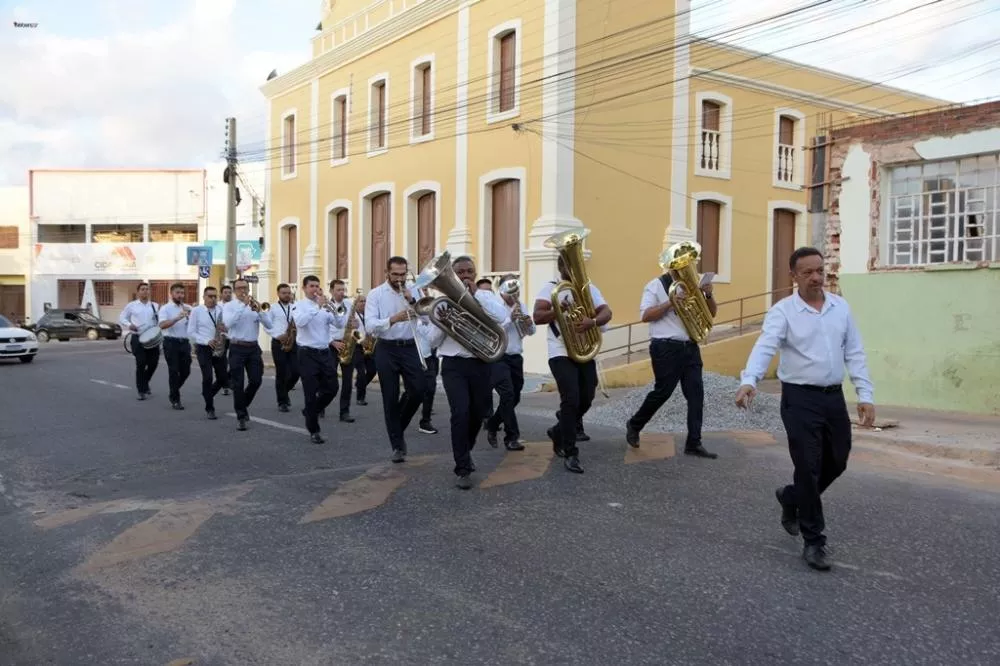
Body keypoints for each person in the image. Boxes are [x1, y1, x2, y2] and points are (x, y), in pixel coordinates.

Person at [735, 246, 875, 572]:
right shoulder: (783, 312)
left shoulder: (840, 308)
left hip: (833, 398)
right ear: (793, 276)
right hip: (799, 399)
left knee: (837, 460)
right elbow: (765, 346)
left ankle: (792, 496)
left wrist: (865, 394)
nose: (815, 277)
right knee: (808, 467)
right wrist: (749, 380)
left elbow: (855, 352)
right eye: (808, 272)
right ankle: (814, 541)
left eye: (819, 271)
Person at [421, 256, 509, 489]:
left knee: (479, 414)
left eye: (470, 271)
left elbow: (502, 318)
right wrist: (445, 323)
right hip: (454, 366)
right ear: (454, 275)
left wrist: (477, 296)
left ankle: (465, 452)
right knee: (460, 413)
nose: (466, 276)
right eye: (460, 272)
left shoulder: (485, 296)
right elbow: (431, 340)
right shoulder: (442, 303)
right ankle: (462, 467)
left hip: (481, 363)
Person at [624, 262, 719, 458]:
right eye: (681, 264)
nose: (687, 267)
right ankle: (634, 424)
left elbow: (711, 314)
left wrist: (708, 295)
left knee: (696, 395)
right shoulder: (656, 285)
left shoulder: (691, 286)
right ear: (671, 267)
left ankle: (694, 442)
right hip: (665, 347)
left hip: (690, 347)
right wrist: (670, 302)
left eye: (689, 263)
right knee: (663, 392)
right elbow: (646, 315)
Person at [532, 255, 613, 474]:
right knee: (571, 398)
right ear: (561, 268)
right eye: (570, 265)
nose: (576, 269)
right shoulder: (551, 288)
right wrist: (558, 311)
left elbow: (607, 312)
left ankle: (559, 430)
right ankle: (570, 452)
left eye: (578, 265)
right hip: (560, 350)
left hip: (584, 349)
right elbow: (537, 316)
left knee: (587, 397)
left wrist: (592, 322)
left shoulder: (589, 288)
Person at [364, 256, 425, 464]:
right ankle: (398, 446)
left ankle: (396, 425)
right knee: (390, 396)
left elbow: (427, 317)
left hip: (409, 346)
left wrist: (413, 302)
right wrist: (393, 319)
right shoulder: (376, 294)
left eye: (403, 274)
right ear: (386, 273)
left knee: (418, 390)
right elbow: (370, 326)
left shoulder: (415, 290)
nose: (400, 279)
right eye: (395, 275)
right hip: (386, 348)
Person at [293, 275, 350, 443]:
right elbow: (301, 323)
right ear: (304, 288)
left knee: (332, 388)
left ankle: (311, 411)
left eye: (317, 286)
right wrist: (317, 307)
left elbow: (339, 324)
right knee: (310, 393)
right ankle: (314, 430)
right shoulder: (299, 306)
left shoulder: (326, 306)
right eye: (311, 286)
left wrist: (332, 308)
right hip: (307, 353)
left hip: (324, 352)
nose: (315, 289)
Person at [485, 274, 534, 451]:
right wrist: (509, 319)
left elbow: (531, 332)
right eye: (511, 291)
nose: (515, 295)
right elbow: (491, 331)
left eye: (517, 291)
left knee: (516, 396)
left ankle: (492, 423)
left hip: (515, 356)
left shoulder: (521, 305)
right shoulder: (493, 305)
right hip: (498, 356)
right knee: (507, 395)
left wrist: (528, 323)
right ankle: (511, 437)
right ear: (502, 289)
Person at [222, 278, 274, 431]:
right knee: (238, 383)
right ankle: (241, 416)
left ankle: (242, 406)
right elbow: (228, 324)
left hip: (253, 348)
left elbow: (269, 325)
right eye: (239, 288)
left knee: (256, 380)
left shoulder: (255, 305)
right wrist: (242, 307)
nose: (243, 291)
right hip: (237, 347)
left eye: (245, 288)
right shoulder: (229, 306)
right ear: (234, 290)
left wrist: (260, 312)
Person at [401, 283, 440, 435]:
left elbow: (427, 320)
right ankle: (400, 413)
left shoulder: (421, 300)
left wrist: (413, 301)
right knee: (412, 390)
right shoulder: (399, 303)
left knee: (430, 388)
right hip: (411, 354)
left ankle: (425, 421)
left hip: (427, 354)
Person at [187, 286, 230, 419]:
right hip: (204, 347)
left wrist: (225, 330)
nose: (213, 299)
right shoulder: (196, 311)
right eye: (210, 296)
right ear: (204, 297)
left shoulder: (221, 310)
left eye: (215, 296)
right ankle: (209, 407)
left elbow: (227, 328)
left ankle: (208, 393)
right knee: (207, 377)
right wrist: (206, 341)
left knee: (223, 378)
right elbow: (191, 332)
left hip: (218, 346)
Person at [119, 283, 160, 400]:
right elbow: (122, 318)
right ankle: (141, 390)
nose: (145, 291)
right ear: (138, 292)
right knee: (141, 363)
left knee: (153, 363)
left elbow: (160, 320)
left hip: (153, 339)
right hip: (138, 338)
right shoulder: (131, 306)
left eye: (147, 289)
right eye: (142, 289)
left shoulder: (155, 306)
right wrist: (129, 325)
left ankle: (145, 382)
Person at [327, 279, 359, 423]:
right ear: (331, 291)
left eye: (343, 290)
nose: (341, 293)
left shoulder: (349, 305)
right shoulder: (325, 306)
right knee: (328, 380)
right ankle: (321, 404)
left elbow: (356, 322)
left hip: (346, 344)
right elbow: (320, 328)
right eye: (338, 290)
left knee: (347, 381)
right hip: (331, 345)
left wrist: (355, 324)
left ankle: (344, 411)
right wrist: (332, 342)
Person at [157, 283, 193, 410]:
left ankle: (173, 391)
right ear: (171, 294)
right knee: (174, 371)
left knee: (186, 371)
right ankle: (175, 399)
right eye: (177, 293)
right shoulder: (165, 309)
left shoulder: (188, 307)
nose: (180, 295)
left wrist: (190, 318)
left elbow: (193, 325)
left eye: (182, 293)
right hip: (171, 342)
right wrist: (177, 318)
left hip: (184, 342)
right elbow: (162, 325)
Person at [267, 283, 299, 413]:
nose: (287, 295)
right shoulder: (272, 308)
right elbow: (267, 325)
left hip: (293, 341)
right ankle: (282, 401)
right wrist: (277, 335)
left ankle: (284, 392)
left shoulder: (295, 307)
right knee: (282, 372)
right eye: (284, 293)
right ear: (278, 294)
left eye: (288, 293)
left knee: (296, 371)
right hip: (278, 342)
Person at [219, 284, 233, 396]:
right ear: (221, 294)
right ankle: (224, 385)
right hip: (220, 337)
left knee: (234, 362)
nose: (228, 294)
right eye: (225, 292)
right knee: (222, 362)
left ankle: (227, 380)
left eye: (229, 292)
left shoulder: (235, 305)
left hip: (233, 337)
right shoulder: (217, 305)